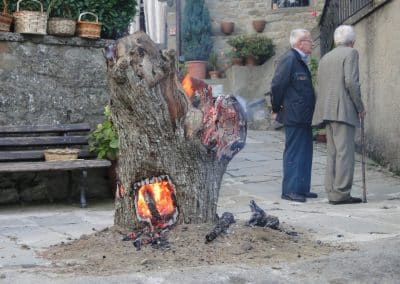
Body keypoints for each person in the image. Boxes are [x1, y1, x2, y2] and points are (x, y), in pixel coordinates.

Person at [312, 25, 366, 205]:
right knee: (345, 153)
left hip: (327, 110)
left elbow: (320, 83)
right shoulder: (351, 53)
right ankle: (342, 193)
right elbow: (351, 82)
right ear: (353, 41)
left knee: (333, 153)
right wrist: (360, 107)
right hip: (343, 110)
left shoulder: (326, 57)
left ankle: (332, 191)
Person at [271, 29, 316, 202]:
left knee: (305, 152)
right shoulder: (289, 59)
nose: (311, 42)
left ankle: (302, 188)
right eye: (308, 40)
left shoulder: (299, 60)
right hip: (294, 114)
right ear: (299, 43)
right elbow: (277, 85)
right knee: (294, 152)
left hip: (304, 115)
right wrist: (276, 108)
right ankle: (289, 190)